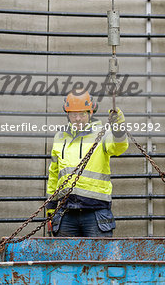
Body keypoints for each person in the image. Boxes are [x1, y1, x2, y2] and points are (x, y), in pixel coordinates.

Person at [46, 89, 128, 237]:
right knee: (66, 259)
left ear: (91, 113)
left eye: (82, 114)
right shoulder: (59, 137)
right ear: (68, 115)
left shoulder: (103, 134)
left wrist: (118, 127)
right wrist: (51, 205)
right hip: (66, 212)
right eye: (73, 114)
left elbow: (119, 147)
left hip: (96, 212)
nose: (77, 119)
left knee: (98, 259)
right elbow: (54, 174)